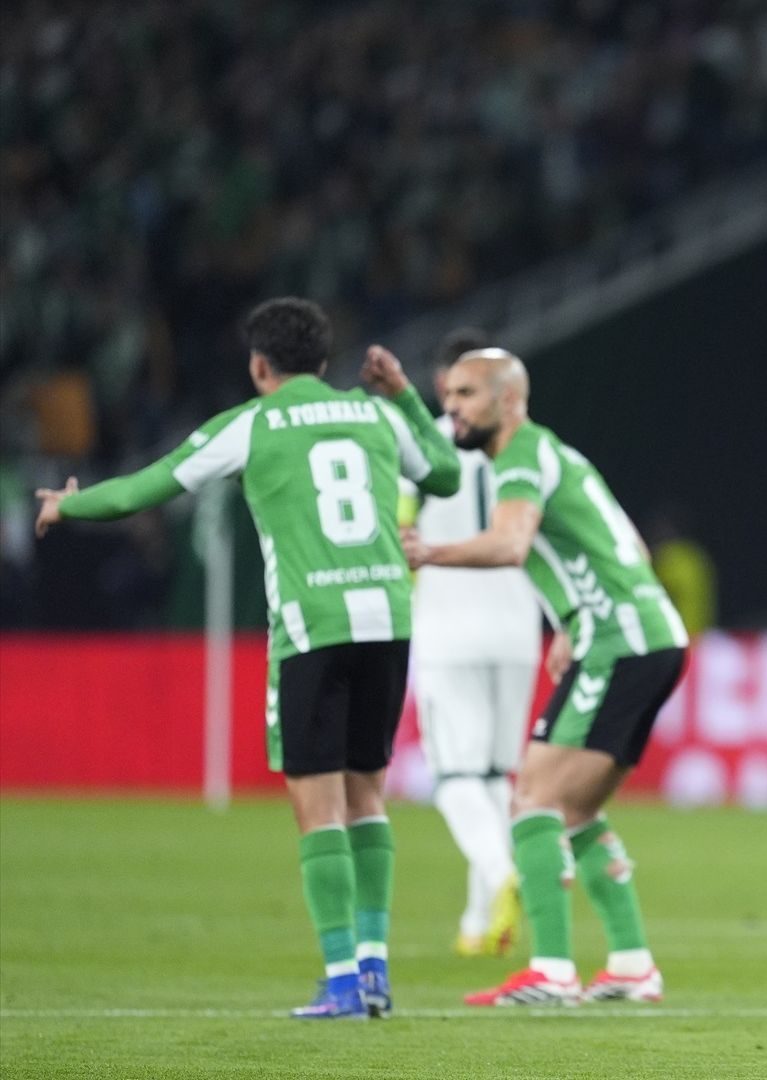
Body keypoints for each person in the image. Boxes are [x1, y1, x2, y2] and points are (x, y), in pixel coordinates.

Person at [34, 298, 460, 1019]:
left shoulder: (251, 423)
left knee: (316, 805)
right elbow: (445, 475)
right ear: (323, 362)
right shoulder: (377, 416)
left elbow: (146, 488)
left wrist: (67, 505)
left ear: (260, 366)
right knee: (367, 798)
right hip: (388, 619)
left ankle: (341, 981)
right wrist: (409, 398)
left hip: (313, 624)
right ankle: (375, 966)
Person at [404, 348, 690, 1006]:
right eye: (447, 398)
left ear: (507, 401)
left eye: (466, 396)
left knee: (531, 797)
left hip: (620, 643)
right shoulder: (557, 453)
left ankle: (553, 971)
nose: (452, 410)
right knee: (578, 808)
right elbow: (628, 551)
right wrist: (570, 620)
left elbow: (509, 543)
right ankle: (631, 963)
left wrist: (430, 551)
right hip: (643, 637)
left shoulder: (523, 454)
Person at [402, 327, 543, 958]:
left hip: (448, 625)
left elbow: (399, 534)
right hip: (518, 625)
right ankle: (478, 918)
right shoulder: (526, 444)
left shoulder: (425, 441)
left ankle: (500, 874)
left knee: (456, 775)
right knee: (493, 774)